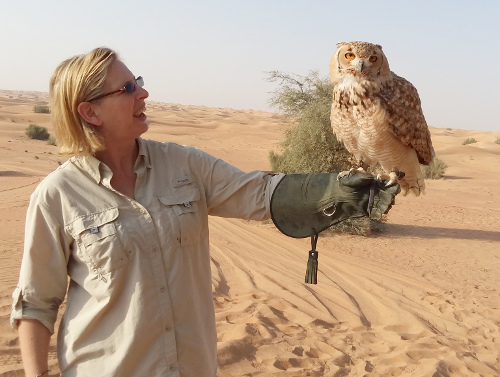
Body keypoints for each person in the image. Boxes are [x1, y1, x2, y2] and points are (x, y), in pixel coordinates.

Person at [11, 47, 399, 377]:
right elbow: (35, 303)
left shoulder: (185, 166)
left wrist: (334, 190)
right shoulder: (58, 195)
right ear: (90, 112)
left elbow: (259, 192)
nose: (143, 93)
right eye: (128, 88)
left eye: (138, 81)